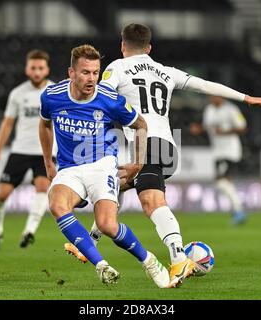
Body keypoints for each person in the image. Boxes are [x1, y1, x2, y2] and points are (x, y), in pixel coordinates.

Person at [65, 23, 261, 287]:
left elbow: (100, 95)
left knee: (152, 202)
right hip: (167, 145)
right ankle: (89, 243)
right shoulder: (166, 71)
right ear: (149, 48)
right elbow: (204, 85)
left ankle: (178, 259)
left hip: (147, 144)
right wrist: (245, 97)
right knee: (114, 183)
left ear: (122, 45)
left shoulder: (116, 68)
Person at [39, 44, 171, 288]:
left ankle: (149, 260)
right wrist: (48, 160)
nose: (92, 79)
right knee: (57, 204)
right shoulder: (51, 96)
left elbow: (141, 124)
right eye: (85, 72)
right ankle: (101, 265)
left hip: (102, 165)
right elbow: (45, 124)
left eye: (96, 72)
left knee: (107, 225)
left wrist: (138, 163)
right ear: (71, 73)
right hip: (69, 167)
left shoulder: (110, 100)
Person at [0, 50, 56, 249]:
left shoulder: (56, 92)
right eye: (33, 67)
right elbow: (7, 124)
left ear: (47, 69)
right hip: (20, 150)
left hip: (46, 152)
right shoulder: (17, 93)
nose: (36, 71)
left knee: (43, 188)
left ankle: (29, 231)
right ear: (27, 69)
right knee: (2, 195)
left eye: (40, 68)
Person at [190, 96, 248, 224]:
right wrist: (198, 129)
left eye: (216, 95)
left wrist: (225, 132)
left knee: (221, 181)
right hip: (217, 151)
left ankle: (239, 211)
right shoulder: (209, 110)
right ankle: (237, 210)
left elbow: (243, 128)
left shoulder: (231, 109)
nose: (213, 98)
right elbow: (207, 127)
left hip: (230, 151)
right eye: (211, 95)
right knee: (225, 182)